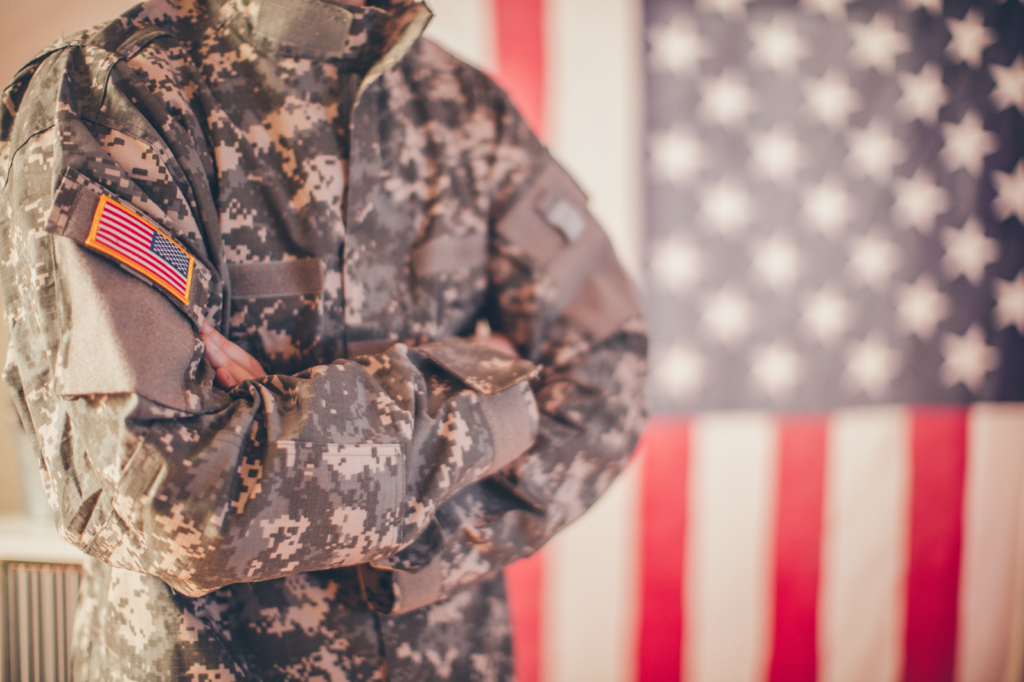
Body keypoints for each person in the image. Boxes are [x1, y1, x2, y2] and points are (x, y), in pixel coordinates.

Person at [0, 0, 647, 678]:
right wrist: (486, 403)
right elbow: (168, 500)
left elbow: (611, 378)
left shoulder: (467, 107)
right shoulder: (116, 94)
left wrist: (407, 537)